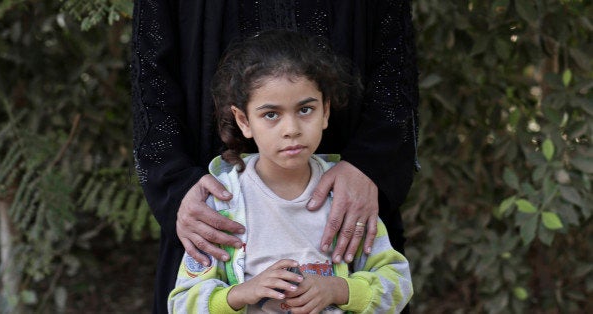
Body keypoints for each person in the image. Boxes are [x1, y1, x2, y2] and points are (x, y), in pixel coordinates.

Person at [131, 1, 419, 313]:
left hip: (352, 176)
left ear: (326, 111)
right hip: (202, 176)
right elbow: (151, 69)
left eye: (305, 110)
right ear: (242, 120)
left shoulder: (339, 199)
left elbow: (394, 58)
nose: (291, 129)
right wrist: (173, 179)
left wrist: (371, 163)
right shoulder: (225, 205)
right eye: (271, 114)